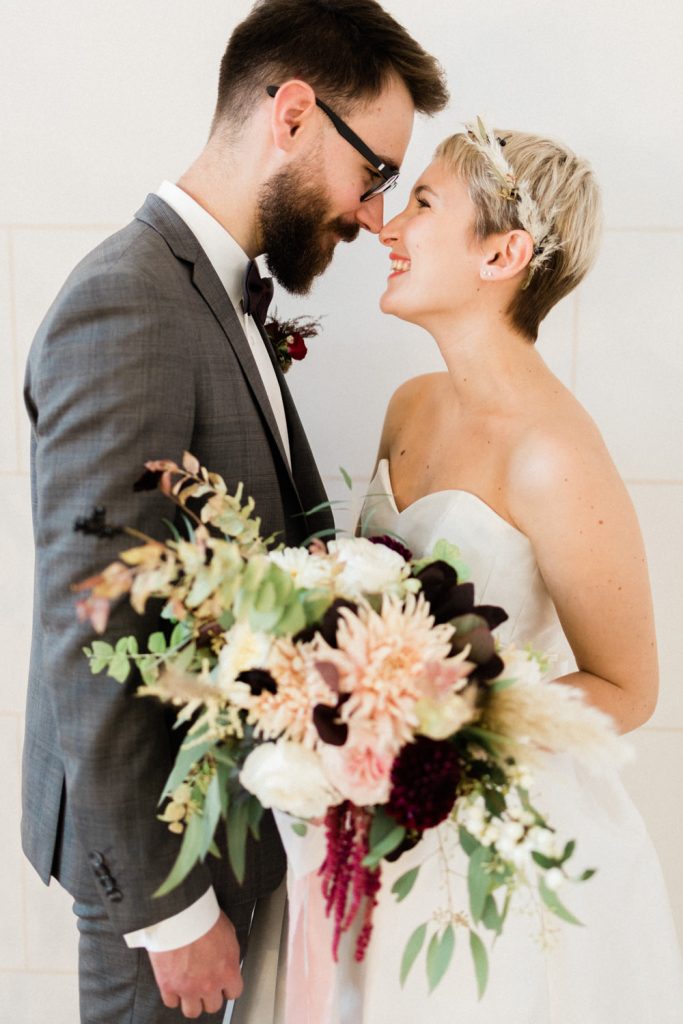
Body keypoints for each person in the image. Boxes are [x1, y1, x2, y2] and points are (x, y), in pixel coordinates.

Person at [21, 2, 448, 1021]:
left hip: (233, 832)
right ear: (292, 116)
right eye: (374, 174)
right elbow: (92, 618)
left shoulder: (215, 291)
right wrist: (168, 912)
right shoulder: (130, 301)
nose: (373, 215)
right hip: (161, 866)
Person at [276, 123, 683, 1021]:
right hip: (366, 823)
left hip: (486, 851)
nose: (388, 226)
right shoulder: (410, 404)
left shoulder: (554, 457)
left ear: (502, 254)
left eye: (422, 202)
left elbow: (629, 687)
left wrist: (438, 736)